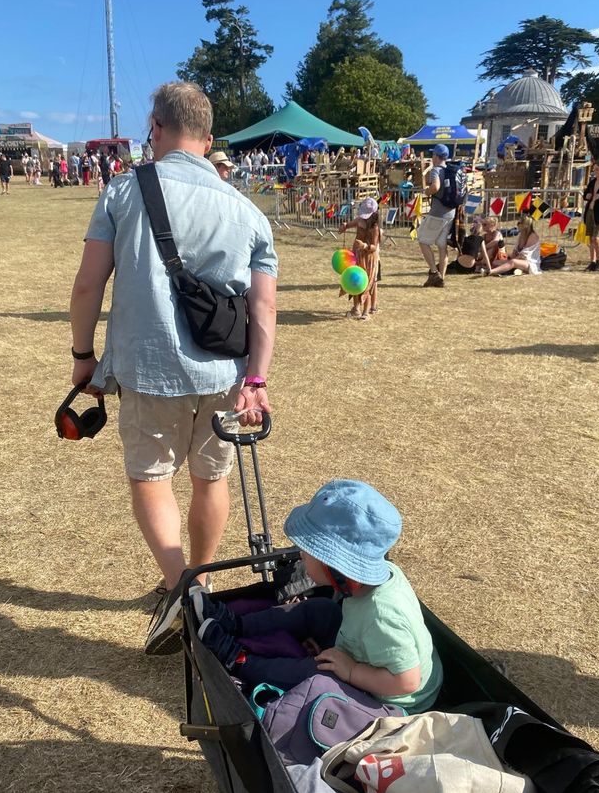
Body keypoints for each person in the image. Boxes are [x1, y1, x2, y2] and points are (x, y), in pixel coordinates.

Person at [68, 81, 278, 653]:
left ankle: (180, 589)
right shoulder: (246, 209)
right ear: (209, 142)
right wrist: (256, 380)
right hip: (226, 373)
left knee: (152, 476)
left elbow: (89, 283)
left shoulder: (121, 191)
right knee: (211, 479)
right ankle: (201, 579)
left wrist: (83, 356)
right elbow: (263, 307)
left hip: (148, 365)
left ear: (155, 128)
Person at [189, 480, 444, 713]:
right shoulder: (374, 581)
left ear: (335, 568)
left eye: (307, 552)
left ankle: (241, 662)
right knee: (321, 609)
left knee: (319, 673)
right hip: (369, 655)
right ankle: (236, 624)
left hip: (391, 700)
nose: (301, 556)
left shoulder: (381, 615)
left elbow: (406, 681)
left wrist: (351, 671)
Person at [417, 144, 455, 288]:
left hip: (438, 213)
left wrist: (427, 191)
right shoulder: (452, 170)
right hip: (450, 213)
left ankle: (434, 273)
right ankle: (441, 278)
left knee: (422, 239)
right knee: (442, 246)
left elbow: (436, 187)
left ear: (436, 156)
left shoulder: (436, 170)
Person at [339, 197, 380, 319]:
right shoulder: (359, 220)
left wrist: (365, 246)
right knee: (354, 280)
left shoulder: (375, 228)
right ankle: (356, 308)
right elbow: (349, 224)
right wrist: (344, 226)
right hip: (357, 256)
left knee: (366, 283)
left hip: (369, 258)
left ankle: (366, 312)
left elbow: (374, 246)